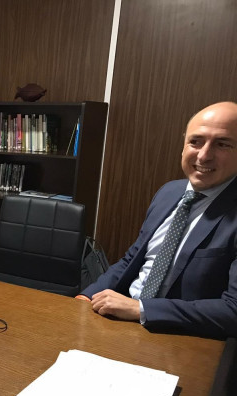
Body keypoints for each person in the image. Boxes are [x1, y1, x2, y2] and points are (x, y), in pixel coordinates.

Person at [78, 101, 237, 339]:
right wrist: (87, 295)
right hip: (122, 324)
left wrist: (141, 309)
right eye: (196, 141)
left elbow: (232, 310)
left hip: (180, 338)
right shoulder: (169, 192)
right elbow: (133, 259)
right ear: (183, 146)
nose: (204, 155)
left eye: (222, 144)